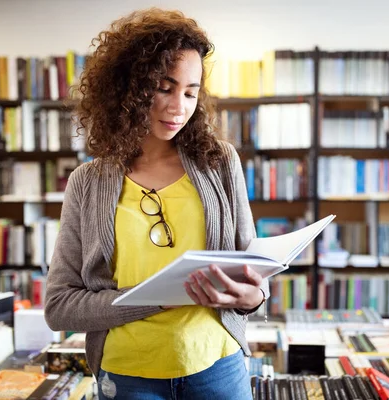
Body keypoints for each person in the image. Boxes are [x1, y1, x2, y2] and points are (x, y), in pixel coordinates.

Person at [44, 7, 270, 400]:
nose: (178, 106)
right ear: (128, 88)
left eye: (190, 91)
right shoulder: (87, 183)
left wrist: (256, 298)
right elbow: (60, 306)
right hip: (128, 375)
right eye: (164, 88)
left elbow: (252, 269)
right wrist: (156, 299)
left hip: (217, 366)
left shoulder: (219, 162)